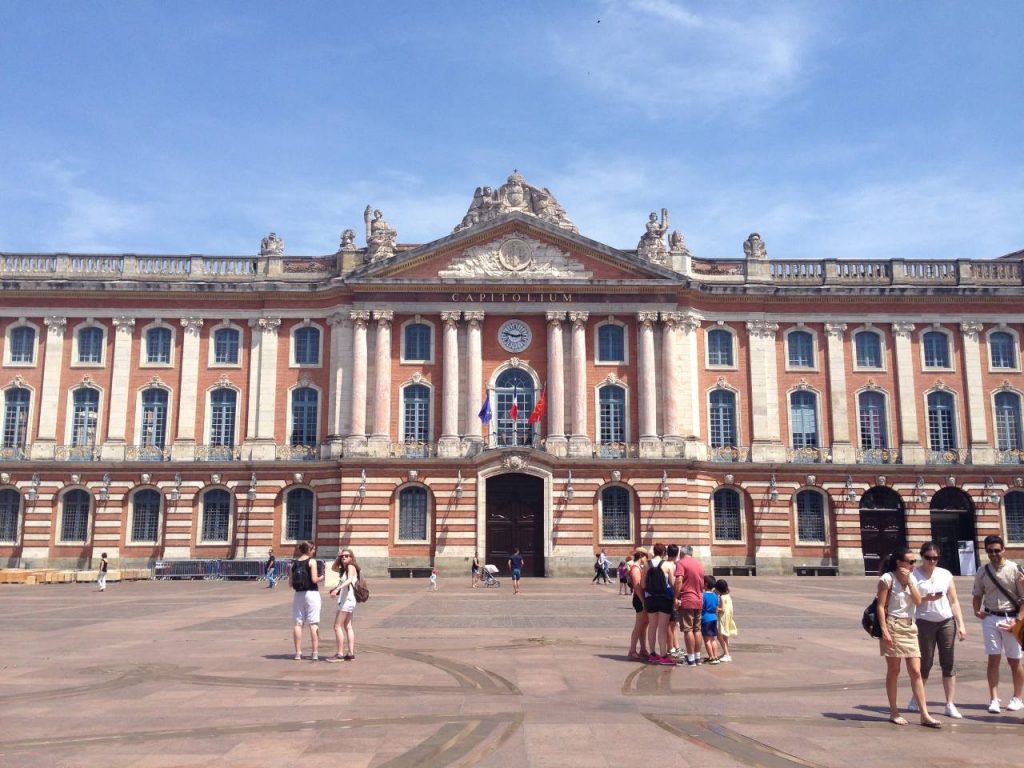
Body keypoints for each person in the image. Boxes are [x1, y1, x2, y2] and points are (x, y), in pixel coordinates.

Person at [877, 546, 942, 728]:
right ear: (899, 562)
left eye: (914, 562)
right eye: (910, 561)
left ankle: (924, 714)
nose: (913, 564)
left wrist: (909, 582)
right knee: (894, 670)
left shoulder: (911, 578)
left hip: (910, 626)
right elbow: (881, 606)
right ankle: (893, 711)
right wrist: (884, 630)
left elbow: (918, 601)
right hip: (893, 625)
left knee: (915, 670)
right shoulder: (887, 579)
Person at [909, 542, 966, 718]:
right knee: (924, 663)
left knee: (948, 662)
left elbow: (954, 601)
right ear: (922, 557)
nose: (931, 561)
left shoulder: (945, 574)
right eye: (928, 558)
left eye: (935, 558)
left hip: (946, 621)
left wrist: (961, 624)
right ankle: (916, 698)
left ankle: (949, 703)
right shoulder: (913, 575)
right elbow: (911, 600)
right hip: (924, 622)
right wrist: (927, 598)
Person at [971, 534, 1024, 713]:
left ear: (1003, 549)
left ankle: (1017, 698)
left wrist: (1018, 621)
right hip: (991, 617)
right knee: (993, 659)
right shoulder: (983, 571)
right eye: (990, 551)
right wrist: (977, 610)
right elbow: (977, 593)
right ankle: (994, 699)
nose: (994, 554)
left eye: (997, 551)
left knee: (1014, 660)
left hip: (1012, 618)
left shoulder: (1015, 569)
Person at [290, 541, 322, 662]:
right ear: (309, 549)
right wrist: (322, 577)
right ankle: (314, 653)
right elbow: (314, 579)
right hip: (312, 594)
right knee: (313, 623)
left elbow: (290, 583)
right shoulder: (312, 561)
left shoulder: (294, 563)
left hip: (298, 594)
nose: (314, 551)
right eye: (313, 549)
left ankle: (298, 653)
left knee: (298, 623)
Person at [644, 543, 676, 665]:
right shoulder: (668, 565)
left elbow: (642, 584)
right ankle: (663, 655)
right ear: (664, 553)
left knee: (652, 626)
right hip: (664, 598)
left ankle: (652, 653)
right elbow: (672, 583)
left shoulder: (647, 564)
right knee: (662, 628)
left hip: (650, 597)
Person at [326, 549, 359, 662]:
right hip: (349, 600)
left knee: (337, 626)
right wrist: (338, 556)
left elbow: (349, 580)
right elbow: (333, 568)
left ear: (351, 557)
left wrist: (337, 589)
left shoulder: (351, 567)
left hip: (347, 601)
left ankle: (340, 654)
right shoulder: (344, 569)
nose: (344, 557)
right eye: (342, 556)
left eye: (346, 556)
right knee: (347, 626)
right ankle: (350, 653)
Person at [675, 545, 705, 666]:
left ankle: (691, 658)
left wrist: (675, 597)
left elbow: (678, 580)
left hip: (687, 599)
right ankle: (697, 657)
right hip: (699, 599)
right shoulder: (699, 564)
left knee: (688, 630)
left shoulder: (680, 563)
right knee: (697, 629)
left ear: (681, 553)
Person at [627, 548, 650, 660]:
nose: (647, 559)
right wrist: (643, 601)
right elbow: (637, 587)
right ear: (641, 556)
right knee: (639, 625)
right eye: (646, 556)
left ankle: (643, 649)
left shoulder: (639, 567)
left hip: (641, 598)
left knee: (644, 625)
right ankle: (632, 650)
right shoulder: (635, 569)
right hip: (639, 599)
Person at [701, 576, 721, 664]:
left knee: (707, 640)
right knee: (713, 639)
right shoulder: (715, 595)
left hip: (706, 618)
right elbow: (717, 607)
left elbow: (702, 606)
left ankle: (711, 657)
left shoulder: (703, 595)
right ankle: (716, 656)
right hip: (714, 618)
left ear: (705, 584)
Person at [715, 579, 737, 662]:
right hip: (728, 617)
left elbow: (722, 609)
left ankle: (727, 654)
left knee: (720, 636)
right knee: (726, 636)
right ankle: (725, 652)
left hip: (723, 618)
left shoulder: (721, 597)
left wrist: (716, 608)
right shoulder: (728, 595)